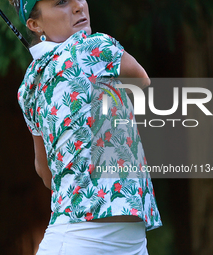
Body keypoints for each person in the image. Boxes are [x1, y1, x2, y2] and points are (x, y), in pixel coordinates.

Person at [13, 0, 162, 254]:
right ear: (34, 24)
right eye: (60, 2)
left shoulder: (28, 85)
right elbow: (141, 80)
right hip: (80, 241)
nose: (78, 6)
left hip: (127, 245)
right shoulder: (95, 46)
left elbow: (44, 170)